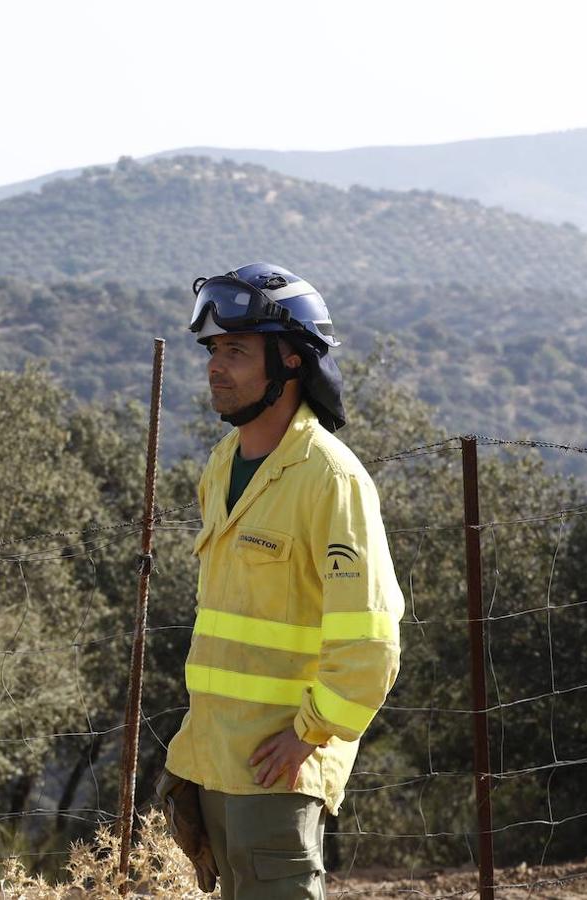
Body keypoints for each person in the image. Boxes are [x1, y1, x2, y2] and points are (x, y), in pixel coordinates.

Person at [159, 263, 404, 899]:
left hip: (276, 771)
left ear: (292, 362)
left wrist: (308, 734)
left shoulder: (332, 479)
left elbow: (372, 644)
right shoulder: (221, 465)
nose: (216, 366)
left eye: (236, 351)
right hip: (211, 760)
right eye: (213, 350)